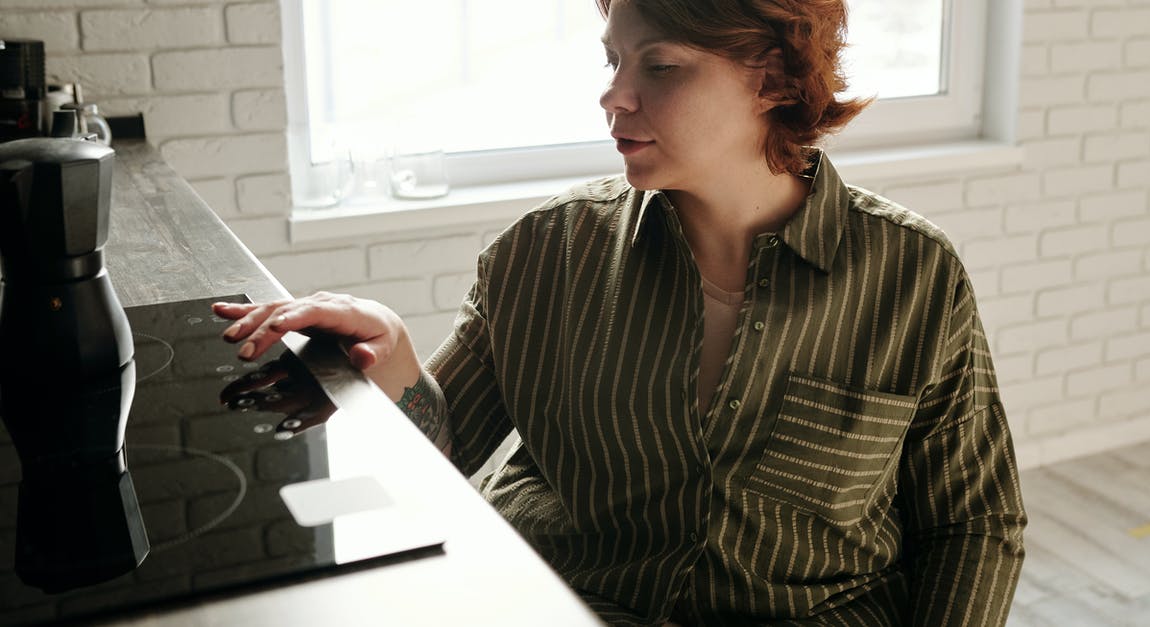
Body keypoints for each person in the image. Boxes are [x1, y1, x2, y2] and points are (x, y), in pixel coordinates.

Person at [215, 0, 1027, 623]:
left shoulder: (914, 276)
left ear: (775, 77)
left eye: (661, 67)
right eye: (613, 60)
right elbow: (444, 457)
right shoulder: (544, 253)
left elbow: (974, 524)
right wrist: (393, 357)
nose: (614, 95)